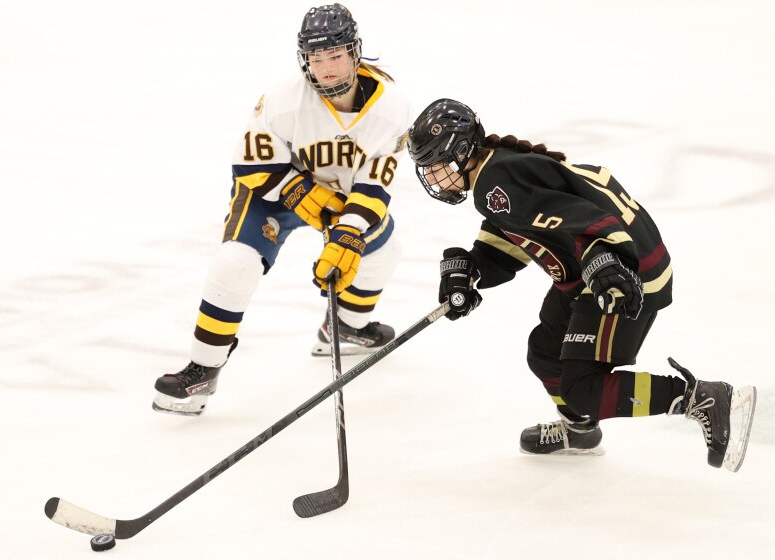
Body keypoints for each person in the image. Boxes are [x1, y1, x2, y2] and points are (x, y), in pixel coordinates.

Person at [405, 98, 757, 472]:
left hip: (624, 273)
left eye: (438, 165)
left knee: (582, 389)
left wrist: (603, 260)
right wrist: (470, 268)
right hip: (598, 266)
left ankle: (701, 398)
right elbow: (520, 233)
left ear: (463, 151)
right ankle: (580, 430)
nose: (433, 176)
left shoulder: (498, 180)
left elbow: (584, 218)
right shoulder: (497, 172)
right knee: (546, 351)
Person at [152, 4, 410, 416]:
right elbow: (252, 166)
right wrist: (309, 201)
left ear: (355, 51)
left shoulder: (391, 108)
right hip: (272, 193)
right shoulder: (283, 100)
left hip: (343, 196)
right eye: (316, 57)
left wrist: (348, 231)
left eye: (336, 55)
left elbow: (375, 182)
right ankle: (201, 370)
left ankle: (345, 327)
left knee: (382, 249)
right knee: (234, 263)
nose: (326, 68)